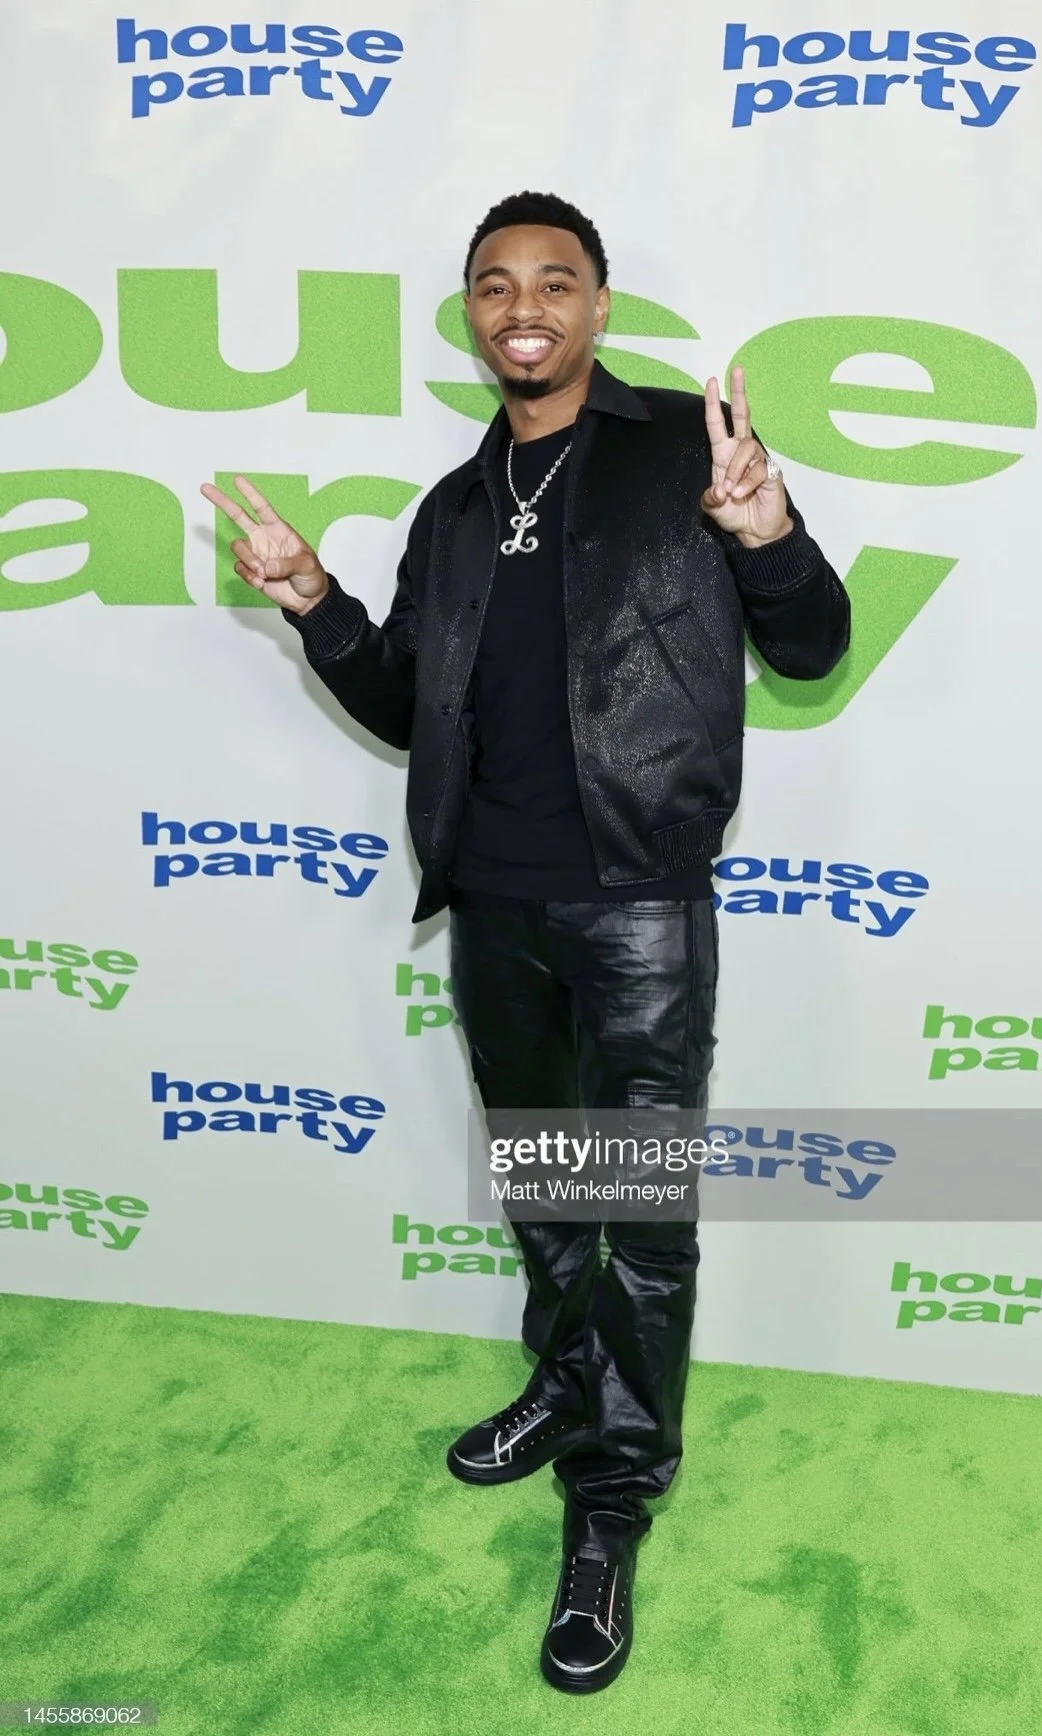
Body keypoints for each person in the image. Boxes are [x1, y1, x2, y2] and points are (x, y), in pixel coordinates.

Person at [201, 190, 849, 1694]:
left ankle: (610, 1506)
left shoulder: (682, 456)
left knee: (640, 1227)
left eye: (554, 281)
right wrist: (311, 604)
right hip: (491, 905)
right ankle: (567, 1390)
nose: (522, 307)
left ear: (599, 306)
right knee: (550, 1194)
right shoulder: (451, 504)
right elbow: (403, 705)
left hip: (635, 906)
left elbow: (810, 644)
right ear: (473, 317)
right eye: (493, 286)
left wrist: (768, 535)